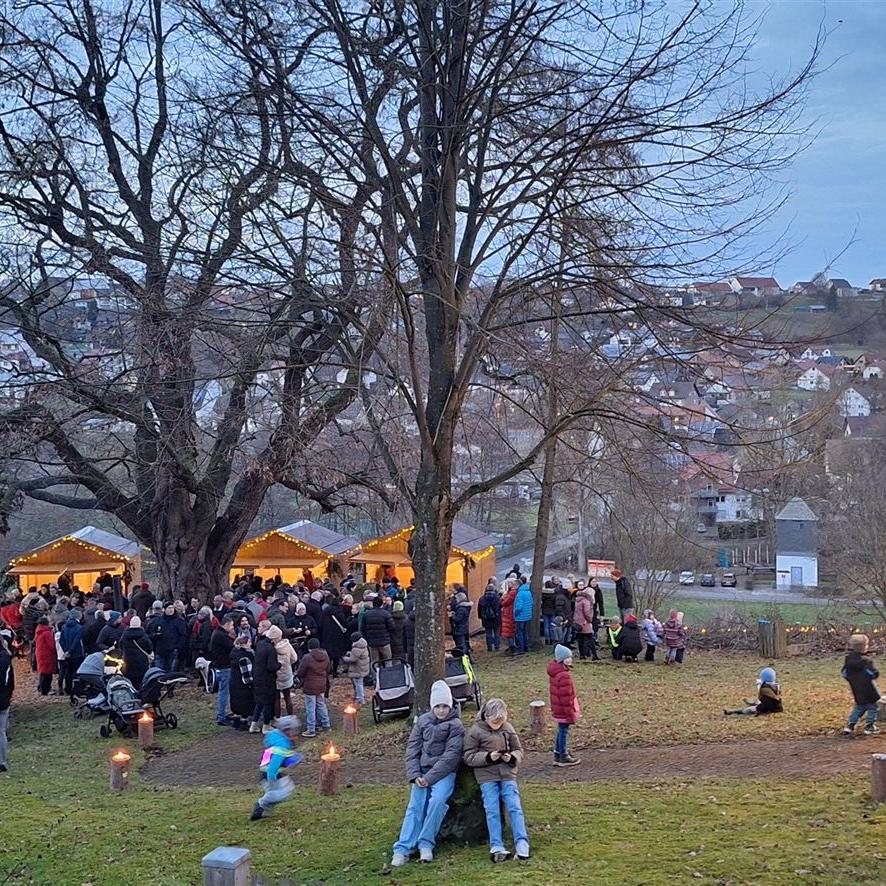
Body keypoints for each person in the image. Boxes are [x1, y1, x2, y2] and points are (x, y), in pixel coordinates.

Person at [390, 680, 465, 867]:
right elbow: (412, 750)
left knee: (437, 802)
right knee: (415, 806)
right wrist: (415, 775)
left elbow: (451, 756)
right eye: (437, 706)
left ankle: (426, 842)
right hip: (421, 773)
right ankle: (403, 848)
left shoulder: (456, 725)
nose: (441, 710)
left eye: (444, 706)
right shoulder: (422, 722)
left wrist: (429, 778)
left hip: (443, 774)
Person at [462, 697, 530, 862]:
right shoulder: (475, 731)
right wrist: (488, 757)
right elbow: (468, 756)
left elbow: (518, 750)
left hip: (507, 774)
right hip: (486, 776)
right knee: (492, 809)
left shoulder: (508, 728)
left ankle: (522, 842)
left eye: (500, 722)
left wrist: (511, 757)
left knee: (514, 806)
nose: (498, 725)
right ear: (486, 716)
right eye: (494, 722)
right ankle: (496, 845)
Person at [250, 714, 302, 820]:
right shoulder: (281, 746)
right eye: (295, 731)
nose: (297, 734)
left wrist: (294, 758)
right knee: (282, 793)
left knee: (286, 789)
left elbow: (283, 759)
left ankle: (264, 806)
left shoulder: (281, 741)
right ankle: (261, 805)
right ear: (286, 731)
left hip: (275, 772)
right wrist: (272, 782)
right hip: (269, 774)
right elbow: (274, 765)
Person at [841, 633, 881, 736]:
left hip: (856, 688)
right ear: (864, 647)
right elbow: (873, 674)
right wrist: (875, 673)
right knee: (873, 708)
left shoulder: (848, 659)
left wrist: (852, 680)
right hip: (869, 689)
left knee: (859, 707)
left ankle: (850, 725)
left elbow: (844, 673)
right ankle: (869, 727)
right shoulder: (866, 661)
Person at [547, 644, 580, 766]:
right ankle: (563, 755)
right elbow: (566, 697)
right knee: (564, 731)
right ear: (563, 659)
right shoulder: (564, 675)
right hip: (564, 709)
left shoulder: (555, 672)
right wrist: (570, 713)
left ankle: (558, 753)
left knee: (561, 729)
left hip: (558, 708)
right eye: (568, 657)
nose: (571, 659)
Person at [297, 638, 331, 737]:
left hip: (310, 685)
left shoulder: (307, 657)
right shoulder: (325, 655)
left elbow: (301, 672)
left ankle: (311, 729)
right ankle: (326, 724)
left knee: (310, 707)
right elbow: (328, 669)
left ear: (309, 647)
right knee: (321, 704)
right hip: (322, 684)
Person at [251, 625, 281, 734]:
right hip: (267, 680)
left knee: (259, 703)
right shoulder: (271, 649)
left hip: (257, 677)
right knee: (268, 703)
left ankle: (253, 725)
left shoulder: (260, 644)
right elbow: (271, 666)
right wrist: (279, 665)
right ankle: (266, 726)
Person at [209, 615, 236, 725]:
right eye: (232, 625)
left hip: (220, 666)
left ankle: (222, 714)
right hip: (224, 666)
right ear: (227, 624)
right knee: (224, 692)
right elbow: (231, 647)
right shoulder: (221, 636)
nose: (233, 627)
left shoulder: (217, 633)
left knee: (223, 691)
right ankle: (221, 716)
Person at [269, 624, 298, 717]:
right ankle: (291, 716)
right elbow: (294, 658)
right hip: (287, 673)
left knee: (276, 698)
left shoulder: (271, 648)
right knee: (287, 696)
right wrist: (288, 663)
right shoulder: (287, 645)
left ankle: (277, 718)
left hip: (276, 675)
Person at [151, 603, 187, 672]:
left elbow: (183, 635)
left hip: (172, 650)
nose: (171, 610)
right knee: (158, 670)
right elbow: (152, 633)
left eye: (172, 608)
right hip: (160, 649)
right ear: (164, 609)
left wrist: (178, 647)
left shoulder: (179, 621)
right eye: (169, 608)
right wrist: (155, 635)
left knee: (171, 670)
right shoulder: (159, 620)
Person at [119, 615, 153, 690]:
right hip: (141, 662)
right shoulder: (143, 636)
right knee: (140, 682)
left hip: (127, 662)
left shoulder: (125, 635)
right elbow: (149, 648)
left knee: (130, 682)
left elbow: (120, 646)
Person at [230, 634, 256, 726]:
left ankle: (237, 721)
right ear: (245, 644)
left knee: (236, 703)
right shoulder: (245, 657)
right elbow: (247, 677)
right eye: (249, 642)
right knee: (244, 706)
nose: (251, 643)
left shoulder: (234, 653)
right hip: (243, 687)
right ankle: (244, 723)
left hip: (234, 683)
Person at [58, 610, 85, 697]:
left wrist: (66, 651)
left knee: (68, 672)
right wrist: (70, 651)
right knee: (77, 671)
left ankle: (68, 689)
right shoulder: (79, 627)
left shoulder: (64, 627)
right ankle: (77, 689)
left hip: (67, 653)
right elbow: (77, 641)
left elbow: (61, 641)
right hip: (77, 653)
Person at [363, 595, 395, 670]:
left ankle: (375, 676)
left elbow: (363, 628)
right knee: (388, 661)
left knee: (374, 661)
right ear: (381, 604)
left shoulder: (366, 614)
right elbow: (392, 627)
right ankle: (389, 675)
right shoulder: (386, 614)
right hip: (384, 641)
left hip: (372, 641)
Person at [572, 583, 599, 661]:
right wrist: (590, 620)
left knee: (581, 639)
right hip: (585, 622)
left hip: (578, 622)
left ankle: (582, 655)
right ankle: (594, 655)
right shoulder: (586, 601)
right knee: (590, 638)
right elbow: (587, 613)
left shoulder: (578, 600)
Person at [341, 631, 370, 703]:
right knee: (360, 683)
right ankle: (359, 697)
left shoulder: (356, 647)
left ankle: (360, 699)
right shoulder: (363, 644)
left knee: (358, 684)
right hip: (362, 667)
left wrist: (344, 658)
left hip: (358, 668)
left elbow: (353, 659)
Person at [0, 632, 13, 772]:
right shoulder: (6, 660)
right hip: (3, 699)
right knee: (1, 732)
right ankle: (2, 761)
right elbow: (10, 683)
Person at [34, 617, 57, 695]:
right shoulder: (47, 632)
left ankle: (41, 687)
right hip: (47, 654)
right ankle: (45, 690)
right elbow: (51, 645)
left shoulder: (39, 631)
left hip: (40, 653)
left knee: (43, 672)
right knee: (47, 673)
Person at [479, 583, 501, 652]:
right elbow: (500, 607)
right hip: (496, 618)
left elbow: (479, 609)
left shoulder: (482, 598)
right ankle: (497, 647)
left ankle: (490, 647)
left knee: (488, 633)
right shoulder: (497, 598)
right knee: (497, 633)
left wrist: (480, 616)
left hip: (486, 618)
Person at [513, 578, 533, 655]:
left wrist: (515, 613)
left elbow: (519, 607)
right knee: (525, 632)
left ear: (518, 585)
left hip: (520, 616)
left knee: (519, 633)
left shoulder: (520, 594)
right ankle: (526, 647)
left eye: (515, 585)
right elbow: (531, 602)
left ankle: (521, 649)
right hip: (527, 615)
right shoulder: (528, 592)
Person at [500, 581, 517, 655]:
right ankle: (512, 646)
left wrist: (502, 599)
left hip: (508, 614)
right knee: (510, 631)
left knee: (509, 632)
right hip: (509, 613)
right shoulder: (512, 592)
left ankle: (512, 647)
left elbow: (505, 602)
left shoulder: (512, 593)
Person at [541, 580, 557, 645]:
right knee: (552, 626)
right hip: (552, 611)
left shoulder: (543, 593)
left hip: (545, 611)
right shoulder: (554, 594)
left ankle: (547, 640)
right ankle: (552, 639)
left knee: (546, 626)